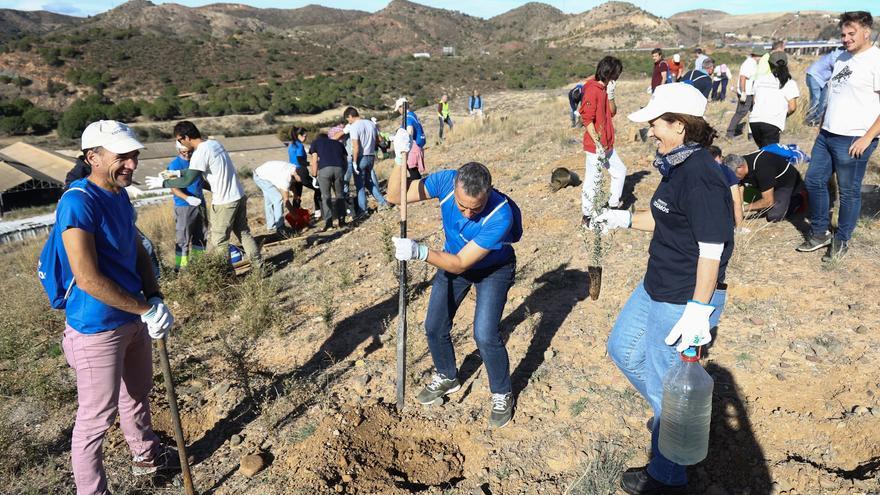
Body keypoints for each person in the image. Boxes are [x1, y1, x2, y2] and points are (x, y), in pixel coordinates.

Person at [595, 83, 733, 495]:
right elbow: (668, 219)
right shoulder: (678, 165)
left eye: (656, 123)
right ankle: (674, 421)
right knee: (623, 349)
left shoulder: (702, 176)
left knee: (665, 380)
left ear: (680, 125)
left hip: (682, 296)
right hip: (656, 284)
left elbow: (712, 249)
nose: (650, 131)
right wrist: (619, 220)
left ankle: (668, 477)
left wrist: (698, 309)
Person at [55, 120, 177, 494]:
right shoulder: (78, 202)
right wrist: (144, 309)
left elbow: (135, 248)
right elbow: (88, 278)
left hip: (133, 317)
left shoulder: (119, 195)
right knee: (95, 420)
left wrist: (153, 296)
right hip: (96, 329)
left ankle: (146, 456)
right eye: (122, 156)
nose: (132, 164)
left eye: (134, 156)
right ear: (93, 157)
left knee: (137, 395)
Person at [385, 149, 522, 428]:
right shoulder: (445, 181)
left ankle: (501, 393)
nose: (469, 214)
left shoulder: (500, 214)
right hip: (452, 260)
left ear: (489, 192)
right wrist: (400, 159)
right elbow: (394, 196)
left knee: (484, 334)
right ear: (455, 186)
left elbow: (461, 263)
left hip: (493, 270)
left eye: (476, 207)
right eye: (462, 206)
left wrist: (419, 251)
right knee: (434, 325)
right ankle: (448, 376)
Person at [799, 11, 880, 261]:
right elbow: (834, 94)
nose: (845, 38)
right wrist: (823, 124)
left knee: (848, 192)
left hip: (854, 138)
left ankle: (842, 239)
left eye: (851, 33)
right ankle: (820, 231)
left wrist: (868, 138)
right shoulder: (842, 58)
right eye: (843, 34)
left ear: (867, 32)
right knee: (813, 180)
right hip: (827, 134)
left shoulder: (876, 60)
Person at [148, 121, 261, 268]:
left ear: (186, 137)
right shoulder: (214, 144)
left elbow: (188, 180)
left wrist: (163, 183)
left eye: (179, 139)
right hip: (238, 195)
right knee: (243, 233)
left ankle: (226, 276)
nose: (180, 144)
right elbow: (194, 171)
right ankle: (259, 267)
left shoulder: (200, 153)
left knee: (219, 241)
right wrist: (176, 173)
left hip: (224, 202)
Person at [580, 56, 627, 226]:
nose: (618, 77)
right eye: (617, 74)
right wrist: (598, 143)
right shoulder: (592, 90)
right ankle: (587, 217)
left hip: (607, 144)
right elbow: (587, 120)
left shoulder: (605, 89)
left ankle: (612, 206)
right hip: (596, 146)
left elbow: (613, 112)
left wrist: (612, 95)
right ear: (610, 73)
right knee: (593, 180)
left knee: (620, 171)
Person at [727, 149, 805, 223]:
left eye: (734, 174)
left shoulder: (762, 168)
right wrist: (737, 209)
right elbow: (739, 189)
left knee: (774, 216)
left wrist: (743, 208)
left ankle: (798, 199)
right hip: (765, 184)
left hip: (786, 183)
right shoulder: (741, 165)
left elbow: (768, 201)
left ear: (741, 167)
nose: (733, 178)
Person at [166, 141, 206, 270]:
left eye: (190, 151)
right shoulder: (174, 165)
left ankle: (199, 265)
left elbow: (200, 180)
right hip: (184, 206)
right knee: (183, 239)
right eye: (184, 152)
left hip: (200, 204)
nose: (187, 154)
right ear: (178, 150)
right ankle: (182, 269)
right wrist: (187, 198)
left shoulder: (195, 161)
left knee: (201, 237)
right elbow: (173, 187)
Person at [345, 106, 390, 216]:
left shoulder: (354, 127)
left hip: (361, 157)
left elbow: (355, 146)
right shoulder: (371, 124)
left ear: (350, 116)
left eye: (348, 120)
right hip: (371, 156)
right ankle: (383, 202)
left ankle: (362, 210)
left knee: (360, 186)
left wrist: (354, 162)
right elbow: (379, 140)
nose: (349, 122)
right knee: (369, 183)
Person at [749, 52, 800, 148]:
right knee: (770, 155)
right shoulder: (789, 83)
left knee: (762, 151)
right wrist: (783, 115)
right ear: (785, 64)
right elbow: (792, 107)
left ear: (769, 64)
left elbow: (754, 101)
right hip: (772, 123)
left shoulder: (760, 80)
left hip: (754, 121)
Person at [309, 130, 348, 231]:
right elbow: (345, 159)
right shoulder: (338, 144)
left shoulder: (315, 143)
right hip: (339, 169)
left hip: (324, 170)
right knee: (340, 195)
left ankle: (329, 224)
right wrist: (343, 171)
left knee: (326, 196)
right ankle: (342, 221)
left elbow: (314, 160)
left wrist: (314, 175)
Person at [725, 47, 763, 139]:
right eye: (761, 56)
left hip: (750, 92)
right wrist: (743, 92)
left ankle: (751, 134)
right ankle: (729, 134)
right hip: (747, 92)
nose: (761, 58)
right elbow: (743, 78)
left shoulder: (752, 63)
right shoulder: (749, 63)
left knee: (752, 113)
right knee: (741, 113)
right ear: (757, 55)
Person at [252, 160, 298, 234]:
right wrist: (293, 214)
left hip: (262, 174)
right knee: (278, 198)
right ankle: (280, 227)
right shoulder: (285, 178)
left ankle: (271, 226)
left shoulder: (294, 169)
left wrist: (295, 195)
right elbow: (286, 200)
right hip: (260, 177)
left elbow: (292, 182)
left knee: (269, 200)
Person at [805, 47, 844, 126]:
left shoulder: (839, 55)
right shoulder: (836, 55)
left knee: (823, 101)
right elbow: (838, 68)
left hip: (821, 79)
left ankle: (817, 120)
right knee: (816, 98)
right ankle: (810, 120)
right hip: (814, 76)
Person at [708, 146, 745, 230]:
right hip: (722, 221)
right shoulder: (725, 170)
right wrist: (739, 228)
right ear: (718, 157)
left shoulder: (695, 170)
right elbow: (736, 202)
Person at [287, 127, 322, 215]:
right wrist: (313, 162)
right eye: (305, 136)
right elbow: (300, 160)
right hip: (301, 171)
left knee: (297, 195)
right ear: (299, 136)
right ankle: (318, 210)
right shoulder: (299, 145)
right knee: (318, 188)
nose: (306, 138)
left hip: (293, 172)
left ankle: (295, 215)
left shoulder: (291, 145)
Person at [395, 96, 427, 180]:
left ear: (402, 107)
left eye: (399, 108)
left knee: (412, 170)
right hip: (417, 145)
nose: (399, 111)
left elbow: (410, 131)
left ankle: (417, 189)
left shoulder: (408, 118)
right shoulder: (412, 115)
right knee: (413, 170)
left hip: (412, 146)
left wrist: (405, 142)